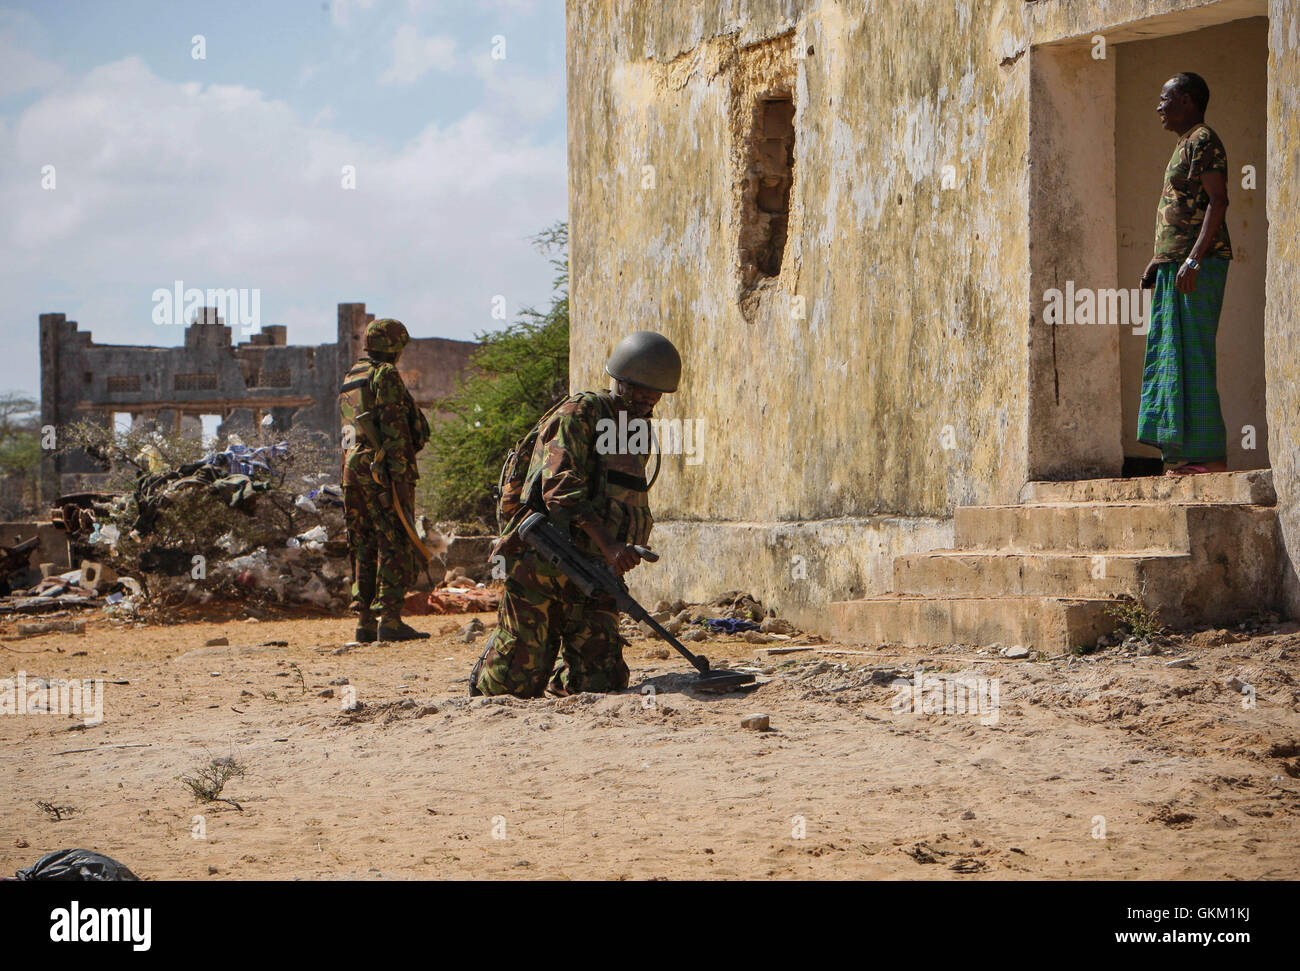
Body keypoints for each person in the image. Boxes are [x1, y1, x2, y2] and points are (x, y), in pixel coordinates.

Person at [470, 331, 682, 698]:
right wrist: (611, 545)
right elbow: (560, 492)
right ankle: (488, 677)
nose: (649, 399)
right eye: (640, 389)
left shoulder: (638, 430)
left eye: (655, 393)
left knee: (603, 683)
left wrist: (617, 551)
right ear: (620, 380)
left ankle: (558, 681)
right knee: (514, 686)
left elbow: (623, 499)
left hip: (594, 566)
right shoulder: (581, 412)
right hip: (543, 559)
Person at [1138, 71, 1232, 476]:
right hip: (1173, 267)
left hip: (1198, 267)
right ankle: (1181, 457)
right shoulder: (1184, 144)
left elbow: (1218, 200)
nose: (1159, 106)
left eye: (1166, 99)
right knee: (1169, 359)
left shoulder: (1203, 139)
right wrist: (1158, 261)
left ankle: (1208, 458)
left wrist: (1194, 259)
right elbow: (1178, 210)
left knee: (1193, 357)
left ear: (1189, 102)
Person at [339, 318, 431, 642]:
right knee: (394, 540)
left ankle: (364, 621)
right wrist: (402, 478)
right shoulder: (385, 374)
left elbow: (348, 435)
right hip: (381, 471)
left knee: (362, 545)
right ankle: (390, 620)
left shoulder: (352, 376)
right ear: (394, 345)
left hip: (352, 472)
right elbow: (395, 428)